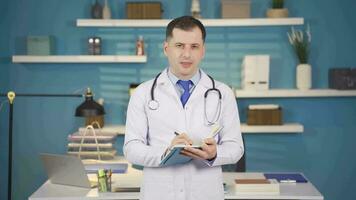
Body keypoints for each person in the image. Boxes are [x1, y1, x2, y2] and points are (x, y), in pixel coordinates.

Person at [124, 16, 244, 200]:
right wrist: (165, 152)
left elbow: (236, 148)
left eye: (194, 47)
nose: (187, 54)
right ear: (166, 48)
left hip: (205, 194)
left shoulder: (223, 93)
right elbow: (131, 148)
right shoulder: (143, 93)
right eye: (179, 45)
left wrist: (214, 154)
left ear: (203, 51)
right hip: (159, 194)